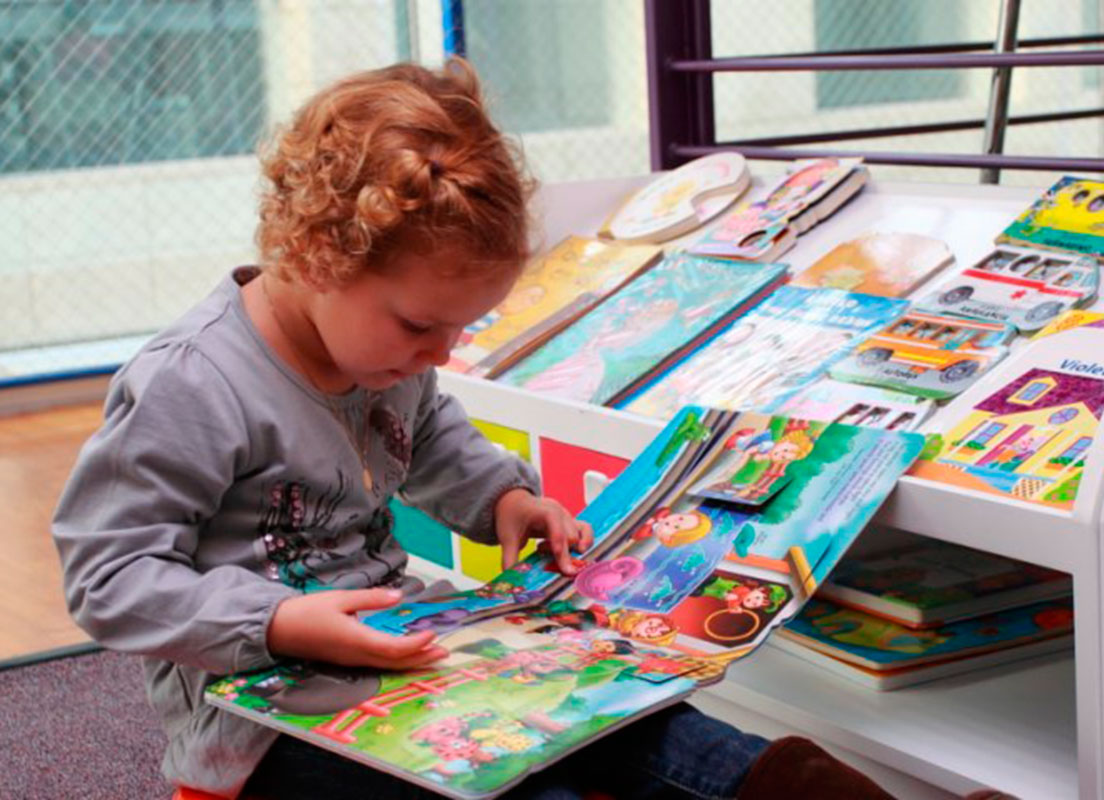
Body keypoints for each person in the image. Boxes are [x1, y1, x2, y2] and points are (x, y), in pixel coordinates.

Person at [52, 59, 900, 800]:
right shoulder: (189, 384)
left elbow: (432, 437)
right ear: (314, 256)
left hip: (420, 645)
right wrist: (281, 622)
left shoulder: (390, 360)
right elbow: (107, 576)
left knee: (671, 738)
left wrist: (505, 501)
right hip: (266, 714)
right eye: (422, 326)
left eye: (461, 329)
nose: (441, 355)